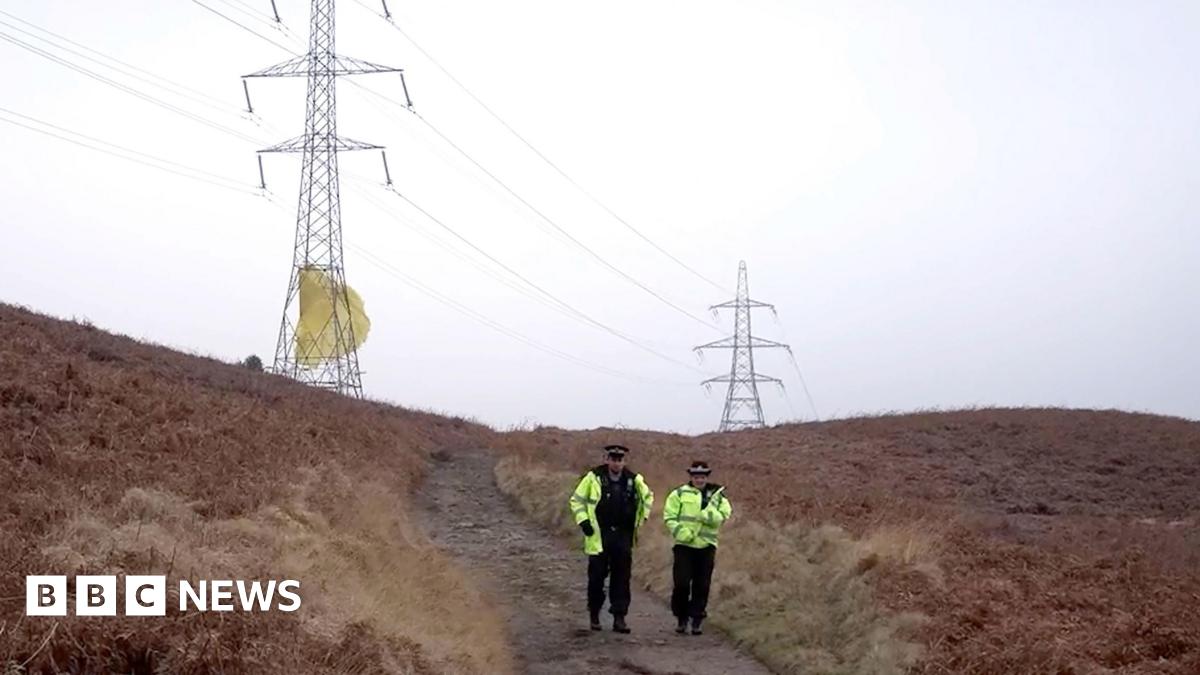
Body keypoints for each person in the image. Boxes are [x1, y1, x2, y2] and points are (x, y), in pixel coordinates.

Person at [568, 444, 653, 633]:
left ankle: (619, 617)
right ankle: (595, 614)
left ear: (624, 461)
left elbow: (648, 497)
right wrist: (584, 522)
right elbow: (577, 500)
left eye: (620, 459)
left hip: (623, 534)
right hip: (599, 534)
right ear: (606, 459)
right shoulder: (593, 477)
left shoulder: (633, 480)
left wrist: (641, 519)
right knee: (597, 577)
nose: (616, 463)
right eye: (613, 459)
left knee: (622, 578)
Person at [662, 460, 732, 635]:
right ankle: (681, 617)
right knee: (682, 583)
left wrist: (708, 515)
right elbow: (669, 516)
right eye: (696, 476)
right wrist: (680, 532)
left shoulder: (717, 495)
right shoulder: (678, 494)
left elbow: (725, 514)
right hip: (684, 546)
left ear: (707, 477)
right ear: (691, 477)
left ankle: (697, 619)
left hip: (707, 546)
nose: (699, 480)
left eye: (702, 477)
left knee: (702, 585)